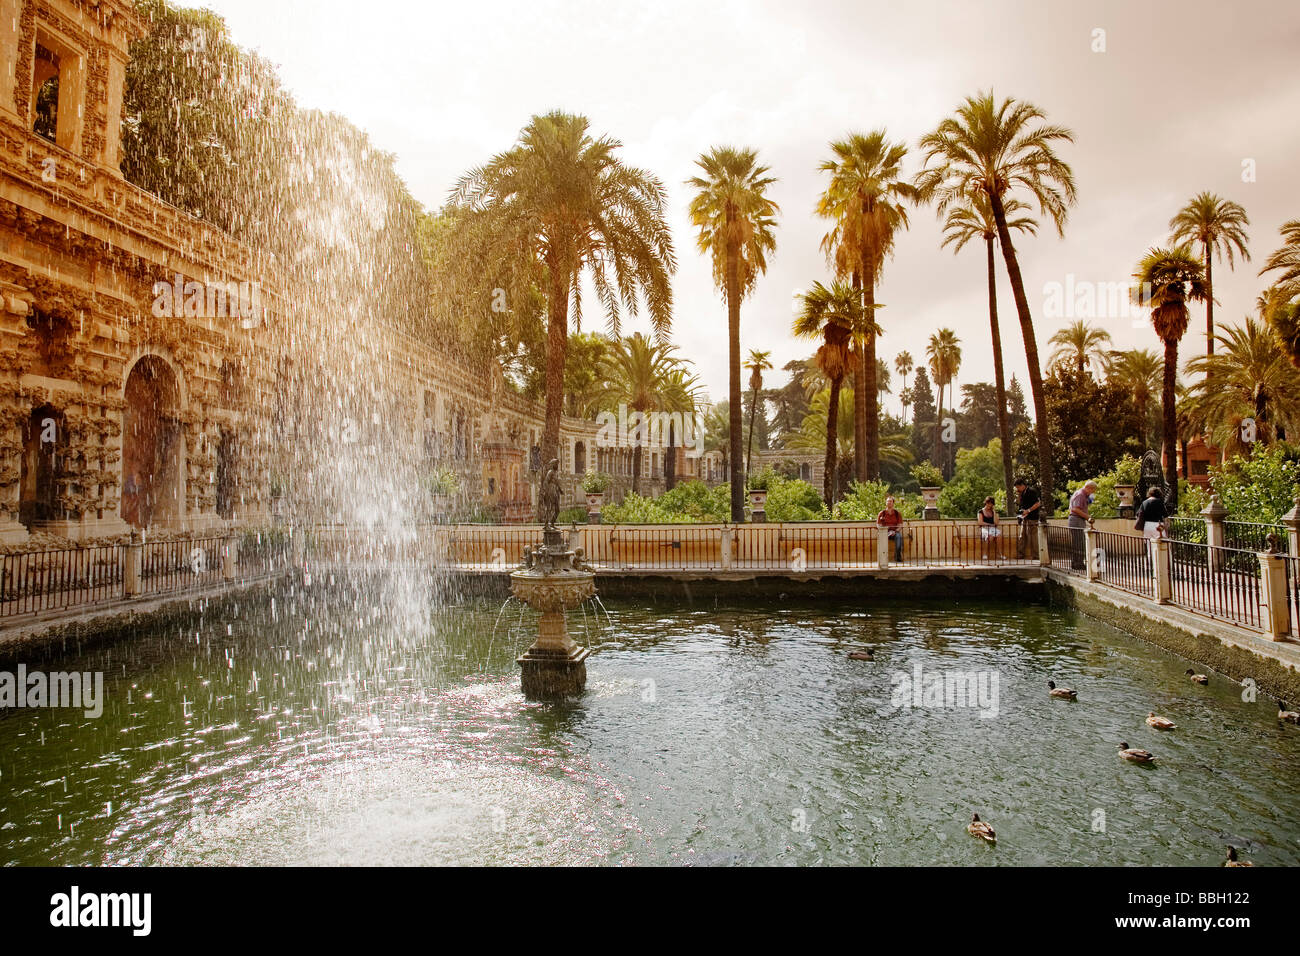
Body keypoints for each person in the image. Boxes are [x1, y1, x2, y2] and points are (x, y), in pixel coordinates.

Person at [1068, 480, 1098, 570]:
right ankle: (1078, 564)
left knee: (1078, 542)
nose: (1093, 492)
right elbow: (1075, 509)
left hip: (1077, 519)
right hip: (1076, 519)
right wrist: (1088, 517)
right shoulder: (1081, 495)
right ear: (1089, 488)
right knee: (1079, 542)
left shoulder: (1081, 494)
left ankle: (1077, 563)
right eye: (1093, 490)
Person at [1014, 478, 1040, 559]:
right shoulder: (1022, 493)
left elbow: (1038, 503)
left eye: (1018, 487)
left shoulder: (1031, 491)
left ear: (1022, 485)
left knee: (1033, 537)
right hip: (1024, 518)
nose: (1017, 489)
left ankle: (1036, 555)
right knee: (1022, 536)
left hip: (1032, 518)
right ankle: (1020, 554)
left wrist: (1028, 510)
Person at [877, 495, 905, 562]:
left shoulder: (897, 513)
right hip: (884, 532)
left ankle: (898, 556)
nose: (889, 503)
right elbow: (878, 525)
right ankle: (882, 559)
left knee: (899, 537)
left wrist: (894, 532)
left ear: (893, 503)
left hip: (894, 532)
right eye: (888, 501)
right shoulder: (882, 513)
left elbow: (900, 525)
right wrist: (886, 531)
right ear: (886, 503)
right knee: (881, 539)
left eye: (890, 501)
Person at [977, 496, 1000, 560]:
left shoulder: (994, 512)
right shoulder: (980, 511)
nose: (989, 505)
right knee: (989, 536)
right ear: (986, 503)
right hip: (984, 528)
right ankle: (985, 554)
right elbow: (980, 522)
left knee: (999, 536)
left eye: (991, 504)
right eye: (988, 503)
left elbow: (996, 523)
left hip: (992, 528)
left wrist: (994, 512)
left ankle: (999, 554)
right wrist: (990, 524)